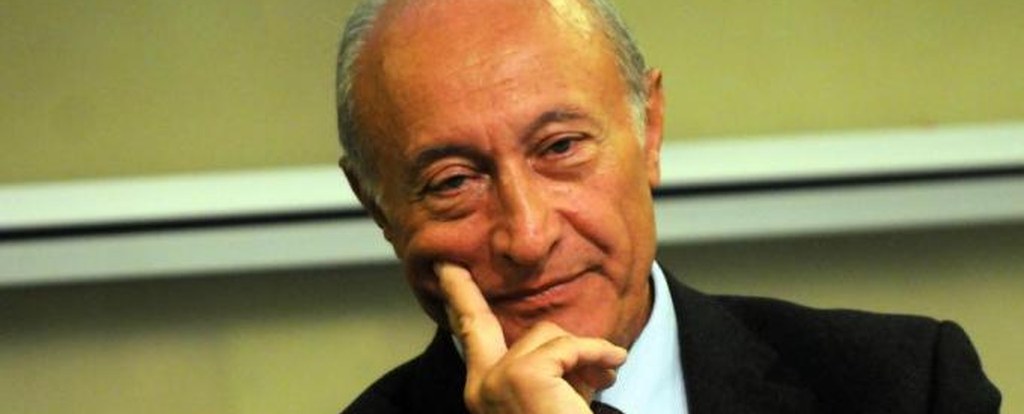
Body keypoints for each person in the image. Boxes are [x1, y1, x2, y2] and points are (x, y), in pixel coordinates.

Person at [334, 0, 1001, 413]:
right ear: (379, 208)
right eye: (454, 182)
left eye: (561, 147)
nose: (529, 237)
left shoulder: (905, 387)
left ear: (648, 129)